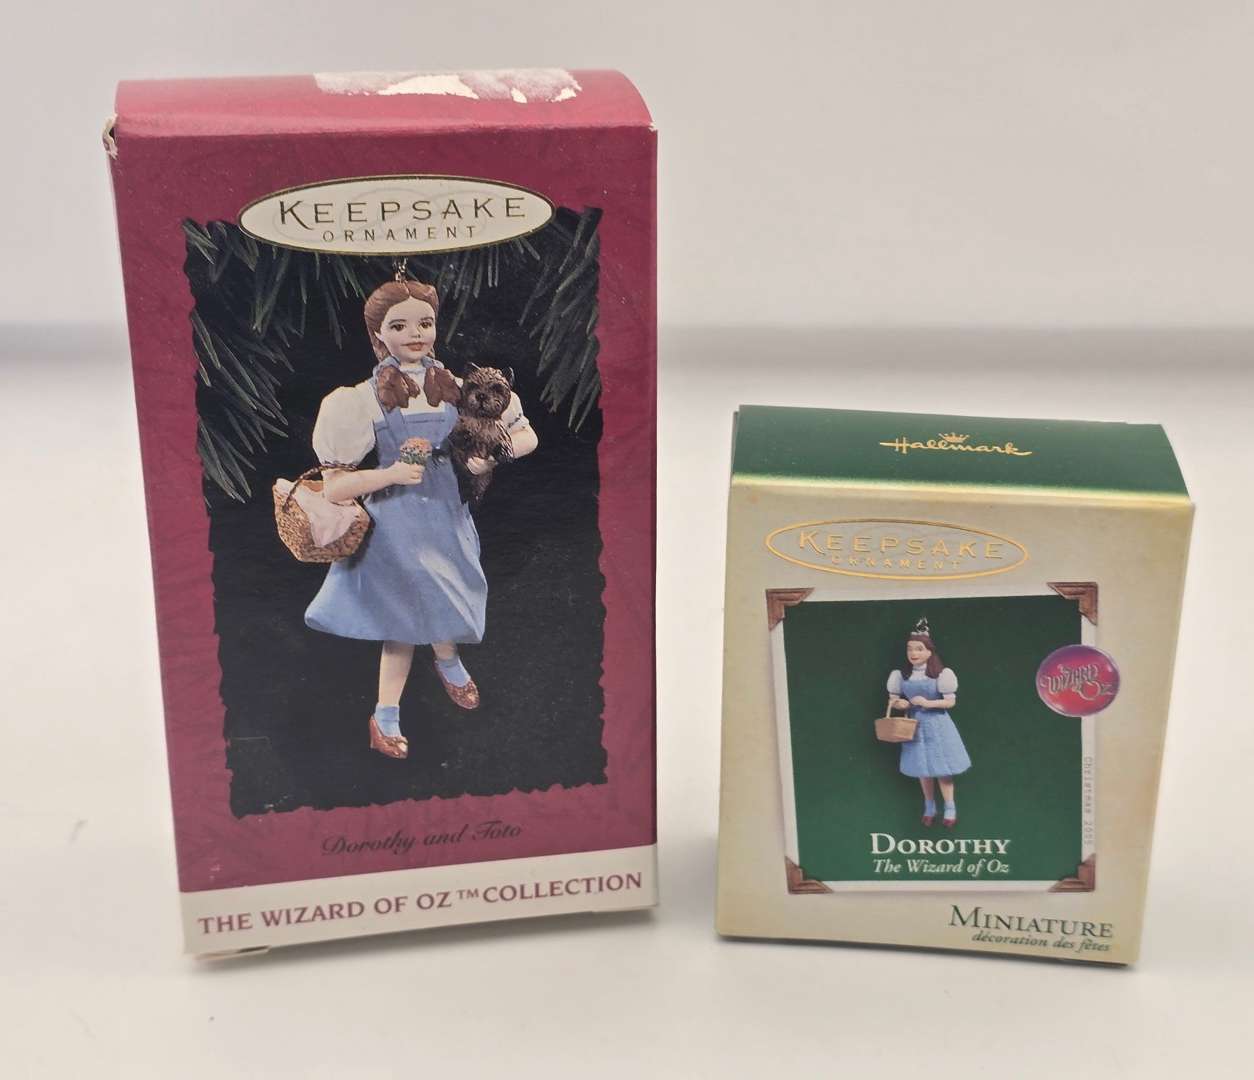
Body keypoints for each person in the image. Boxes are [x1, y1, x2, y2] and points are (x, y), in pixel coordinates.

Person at [304, 276, 538, 759]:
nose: (415, 334)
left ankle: (447, 658)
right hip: (395, 526)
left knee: (449, 593)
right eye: (399, 325)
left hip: (447, 515)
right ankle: (385, 714)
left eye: (425, 323)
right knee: (403, 622)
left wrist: (493, 458)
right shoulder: (361, 399)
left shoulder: (459, 388)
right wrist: (389, 473)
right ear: (378, 333)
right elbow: (335, 486)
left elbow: (524, 433)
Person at [886, 617, 971, 827]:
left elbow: (950, 702)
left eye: (919, 649)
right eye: (910, 649)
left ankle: (950, 806)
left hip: (938, 725)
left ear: (929, 652)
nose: (913, 653)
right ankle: (929, 805)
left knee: (942, 769)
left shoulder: (942, 674)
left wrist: (928, 703)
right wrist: (901, 704)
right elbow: (893, 700)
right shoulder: (901, 675)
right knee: (922, 768)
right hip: (914, 727)